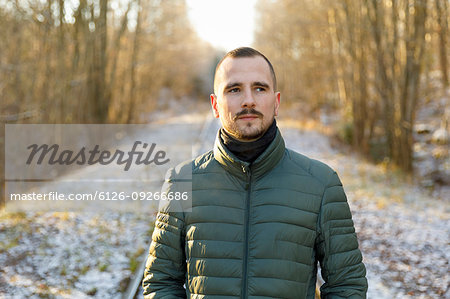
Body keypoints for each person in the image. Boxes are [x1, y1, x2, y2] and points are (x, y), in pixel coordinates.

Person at [142, 47, 368, 298]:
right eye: (234, 89)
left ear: (276, 102)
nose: (248, 100)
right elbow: (160, 283)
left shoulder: (321, 183)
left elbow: (348, 286)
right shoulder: (183, 182)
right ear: (215, 105)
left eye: (259, 88)